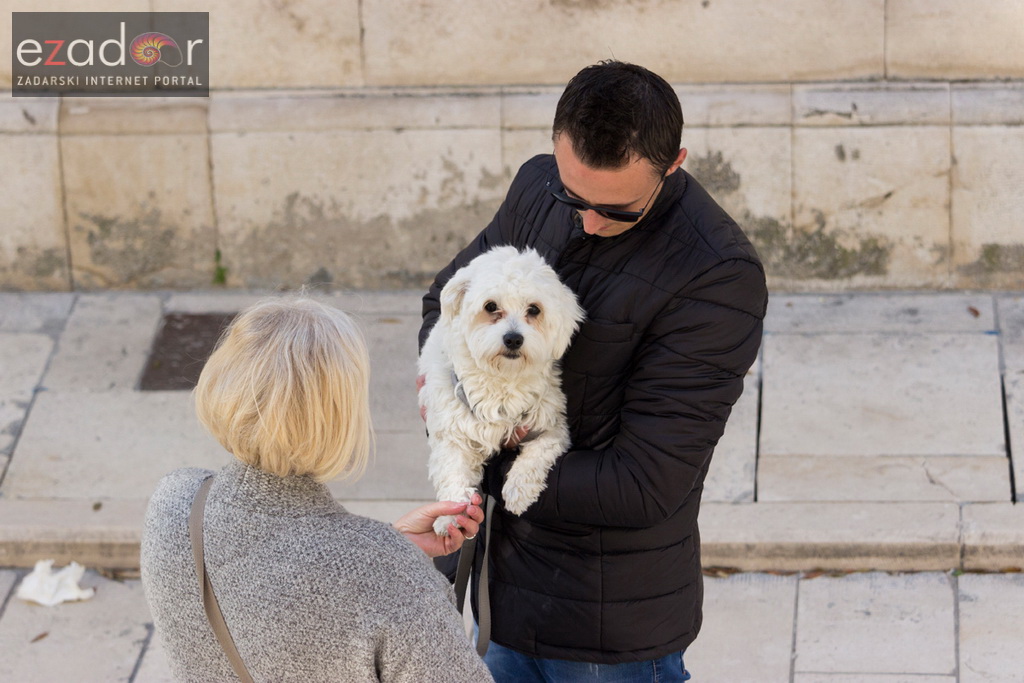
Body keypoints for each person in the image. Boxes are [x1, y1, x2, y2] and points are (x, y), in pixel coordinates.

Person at [419, 61, 767, 681]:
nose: (587, 221)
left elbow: (643, 482)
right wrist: (446, 398)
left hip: (611, 629)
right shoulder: (535, 185)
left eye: (618, 211)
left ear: (674, 162)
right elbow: (447, 301)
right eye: (571, 196)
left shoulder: (717, 277)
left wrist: (473, 455)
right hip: (501, 594)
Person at [141, 297, 494, 682]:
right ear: (340, 417)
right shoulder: (389, 576)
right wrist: (386, 560)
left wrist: (387, 550)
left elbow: (269, 582)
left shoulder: (175, 502)